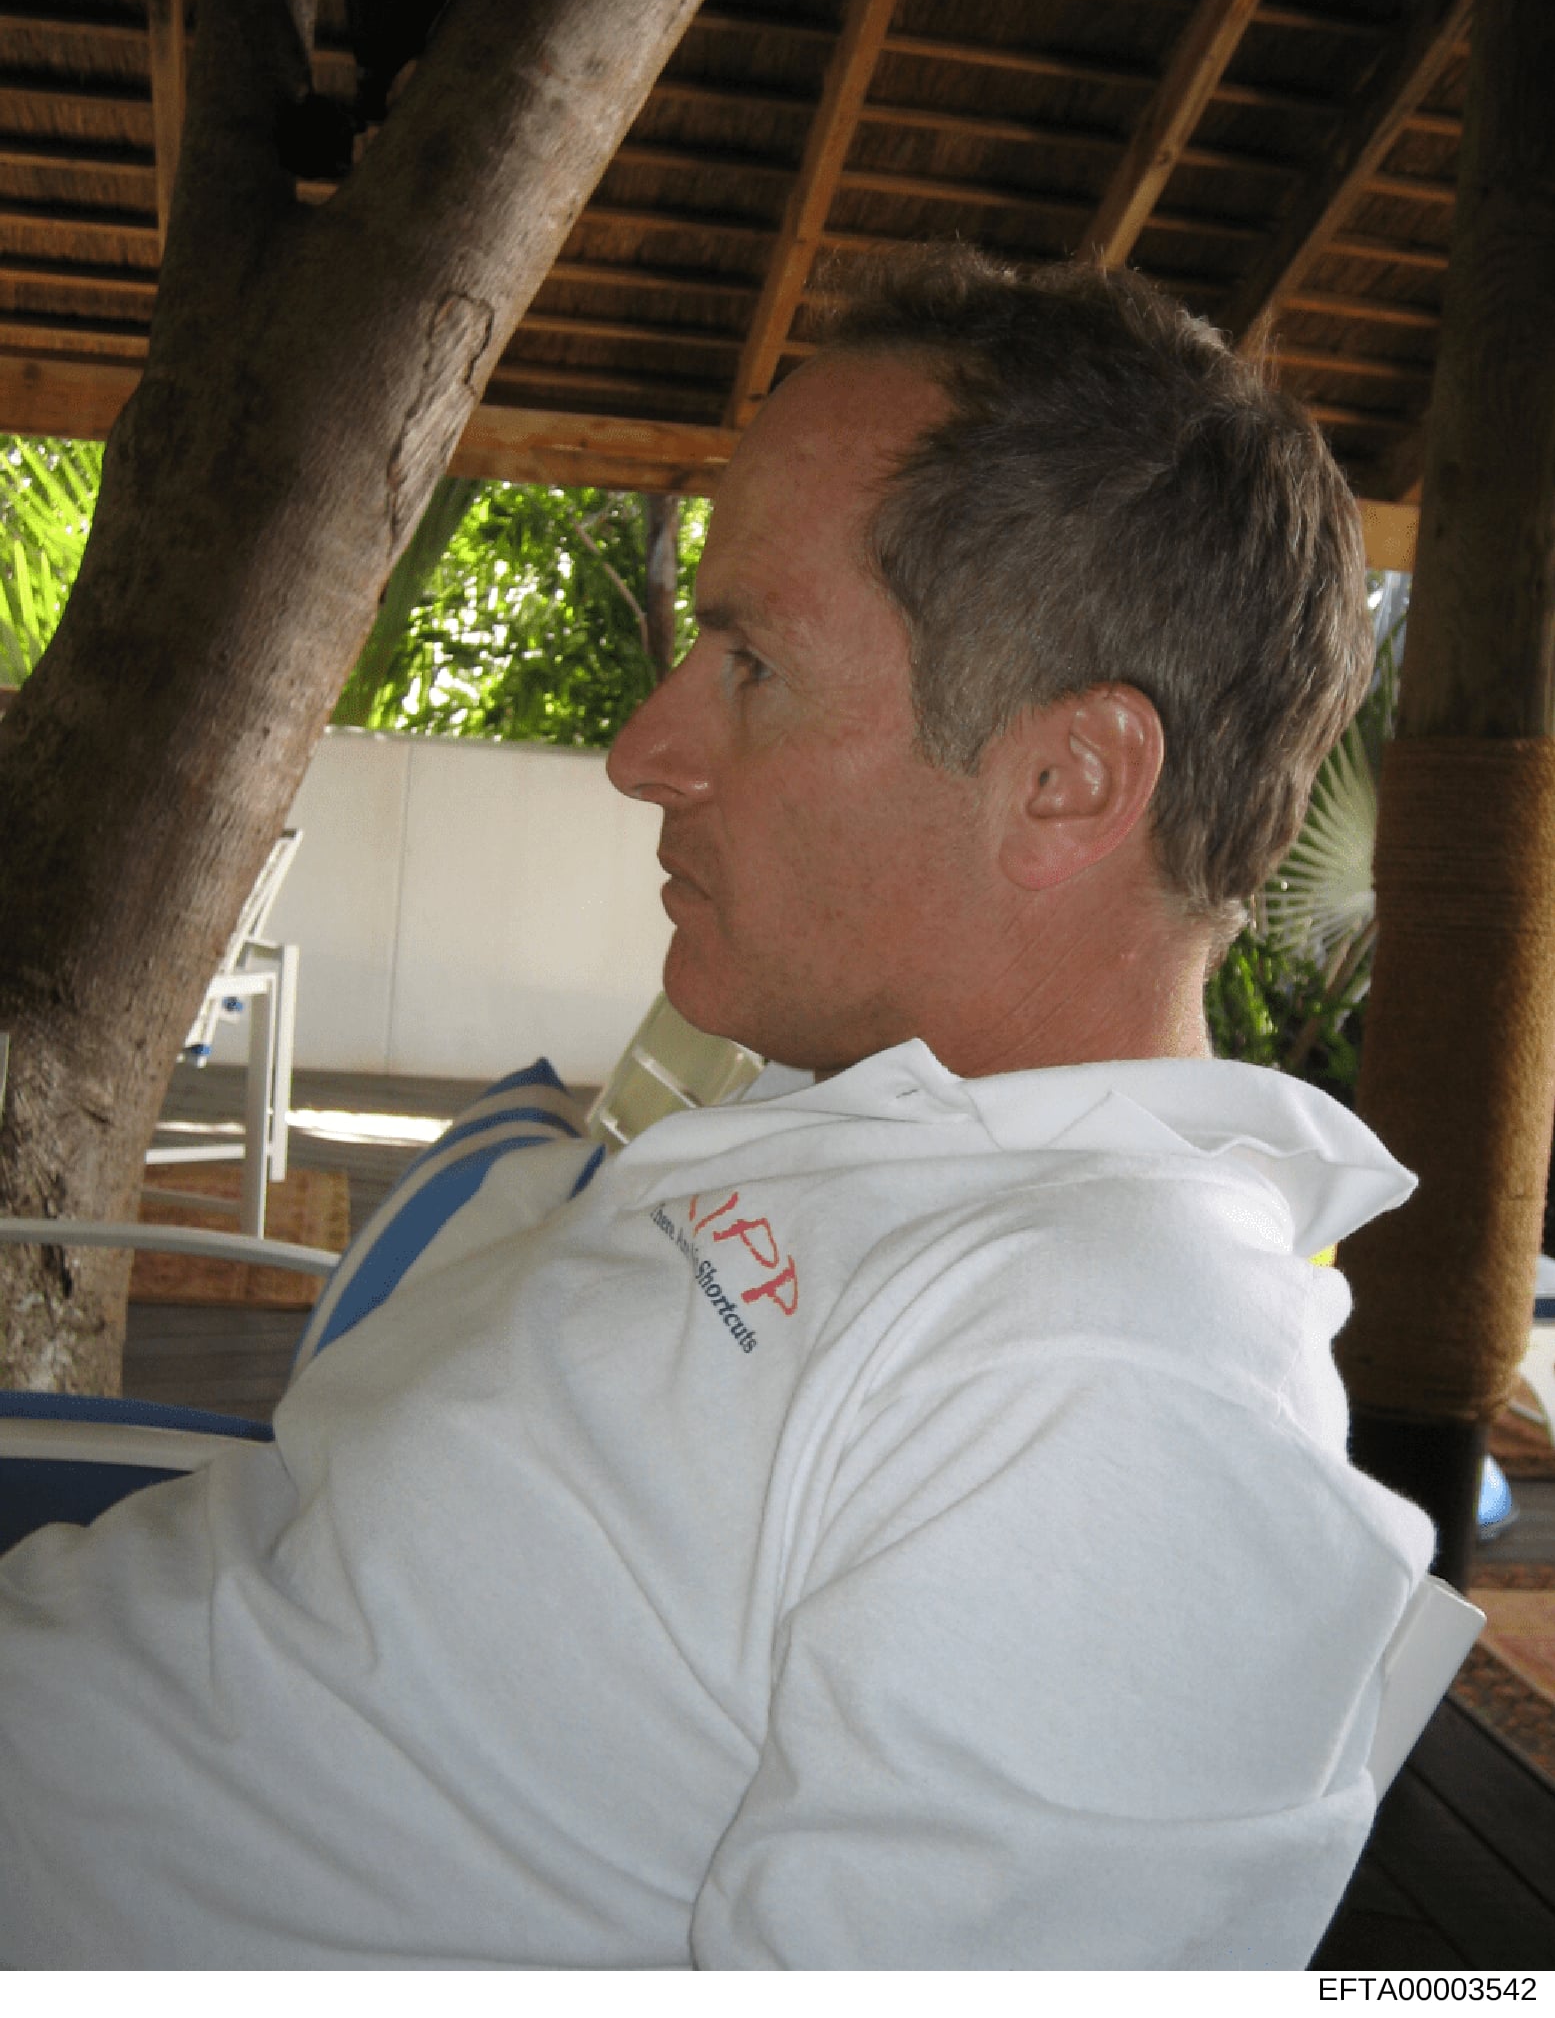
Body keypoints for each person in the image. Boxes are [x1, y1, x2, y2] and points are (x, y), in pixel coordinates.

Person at [0, 248, 1432, 1969]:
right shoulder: (866, 1137)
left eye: (750, 663)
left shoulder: (1131, 1390)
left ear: (1065, 781)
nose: (642, 750)